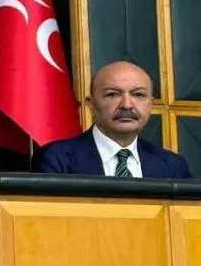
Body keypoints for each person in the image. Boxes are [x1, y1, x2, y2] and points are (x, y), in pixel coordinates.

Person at [35, 60, 191, 178]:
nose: (127, 105)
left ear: (150, 105)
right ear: (91, 105)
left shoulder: (173, 166)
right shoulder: (57, 160)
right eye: (113, 94)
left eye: (138, 94)